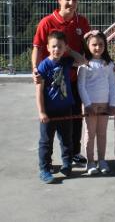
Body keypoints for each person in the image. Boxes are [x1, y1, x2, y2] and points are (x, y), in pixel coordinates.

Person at [32, 0, 91, 166]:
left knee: (75, 118)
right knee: (50, 122)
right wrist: (35, 70)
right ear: (59, 0)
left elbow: (88, 48)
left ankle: (73, 153)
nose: (71, 3)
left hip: (74, 78)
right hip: (52, 82)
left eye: (75, 0)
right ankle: (46, 161)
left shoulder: (82, 22)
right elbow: (37, 48)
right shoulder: (47, 22)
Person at [36, 31, 86, 184]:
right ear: (48, 47)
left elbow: (82, 61)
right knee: (46, 141)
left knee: (66, 139)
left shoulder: (66, 62)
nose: (57, 50)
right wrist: (42, 111)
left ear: (65, 48)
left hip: (65, 108)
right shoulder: (44, 66)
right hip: (49, 111)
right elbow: (39, 90)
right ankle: (44, 168)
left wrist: (70, 51)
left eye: (60, 47)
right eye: (54, 46)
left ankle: (66, 163)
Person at [77, 30, 115, 175]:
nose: (98, 47)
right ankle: (90, 161)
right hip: (90, 106)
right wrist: (87, 105)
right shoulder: (84, 64)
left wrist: (113, 104)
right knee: (90, 133)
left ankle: (102, 160)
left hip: (105, 105)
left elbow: (113, 85)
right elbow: (81, 86)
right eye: (94, 45)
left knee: (102, 133)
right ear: (87, 45)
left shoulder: (109, 64)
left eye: (101, 44)